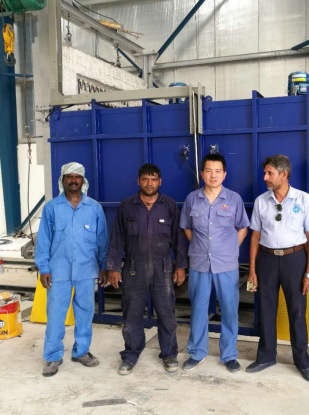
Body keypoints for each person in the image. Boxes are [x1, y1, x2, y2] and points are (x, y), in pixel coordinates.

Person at [106, 164, 188, 375]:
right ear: (138, 181)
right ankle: (131, 354)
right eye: (145, 179)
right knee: (132, 314)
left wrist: (180, 266)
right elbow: (117, 239)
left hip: (163, 267)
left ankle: (169, 354)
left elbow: (179, 239)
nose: (149, 184)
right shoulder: (127, 206)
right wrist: (113, 267)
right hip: (134, 267)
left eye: (153, 180)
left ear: (160, 181)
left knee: (166, 313)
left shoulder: (169, 205)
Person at [246, 154, 309, 383]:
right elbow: (255, 237)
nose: (265, 177)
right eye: (265, 173)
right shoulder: (261, 201)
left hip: (295, 260)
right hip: (266, 260)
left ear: (284, 174)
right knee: (266, 310)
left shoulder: (303, 199)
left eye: (270, 173)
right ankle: (266, 356)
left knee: (297, 311)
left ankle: (302, 361)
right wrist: (252, 270)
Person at [35, 162, 109, 377]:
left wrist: (104, 266)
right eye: (69, 176)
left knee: (85, 313)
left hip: (87, 270)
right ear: (63, 180)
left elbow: (102, 240)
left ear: (83, 180)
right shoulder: (52, 208)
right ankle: (53, 356)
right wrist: (43, 268)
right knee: (55, 314)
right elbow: (43, 240)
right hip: (58, 271)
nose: (73, 180)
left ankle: (81, 351)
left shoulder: (94, 208)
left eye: (77, 177)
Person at [180, 154, 250, 373]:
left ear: (224, 174)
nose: (213, 175)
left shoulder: (234, 199)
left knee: (229, 310)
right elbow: (187, 227)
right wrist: (200, 246)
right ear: (202, 173)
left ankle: (229, 355)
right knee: (198, 309)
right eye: (209, 171)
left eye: (218, 171)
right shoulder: (192, 199)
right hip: (199, 263)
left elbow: (243, 227)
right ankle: (197, 352)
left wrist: (231, 248)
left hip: (226, 264)